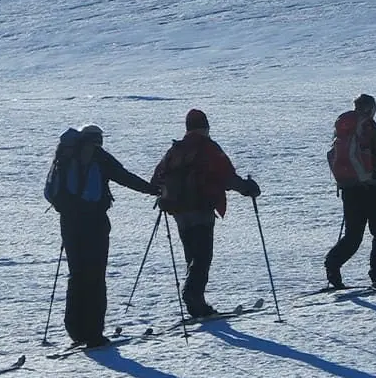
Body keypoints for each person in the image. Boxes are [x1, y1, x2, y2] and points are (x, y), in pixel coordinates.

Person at [44, 124, 159, 348]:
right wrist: (153, 189)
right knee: (95, 276)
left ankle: (75, 329)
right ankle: (94, 333)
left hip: (69, 222)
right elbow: (124, 177)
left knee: (77, 274)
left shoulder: (65, 157)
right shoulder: (98, 157)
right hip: (94, 222)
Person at [151, 109, 261, 318]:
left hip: (178, 211)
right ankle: (193, 296)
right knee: (202, 257)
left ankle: (196, 304)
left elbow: (156, 179)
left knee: (192, 256)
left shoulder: (175, 150)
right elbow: (227, 176)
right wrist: (248, 188)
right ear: (205, 127)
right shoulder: (208, 147)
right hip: (201, 208)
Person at [325, 94, 376, 290]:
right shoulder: (370, 128)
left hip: (348, 189)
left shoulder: (343, 127)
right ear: (370, 109)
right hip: (369, 188)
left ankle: (332, 264)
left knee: (353, 236)